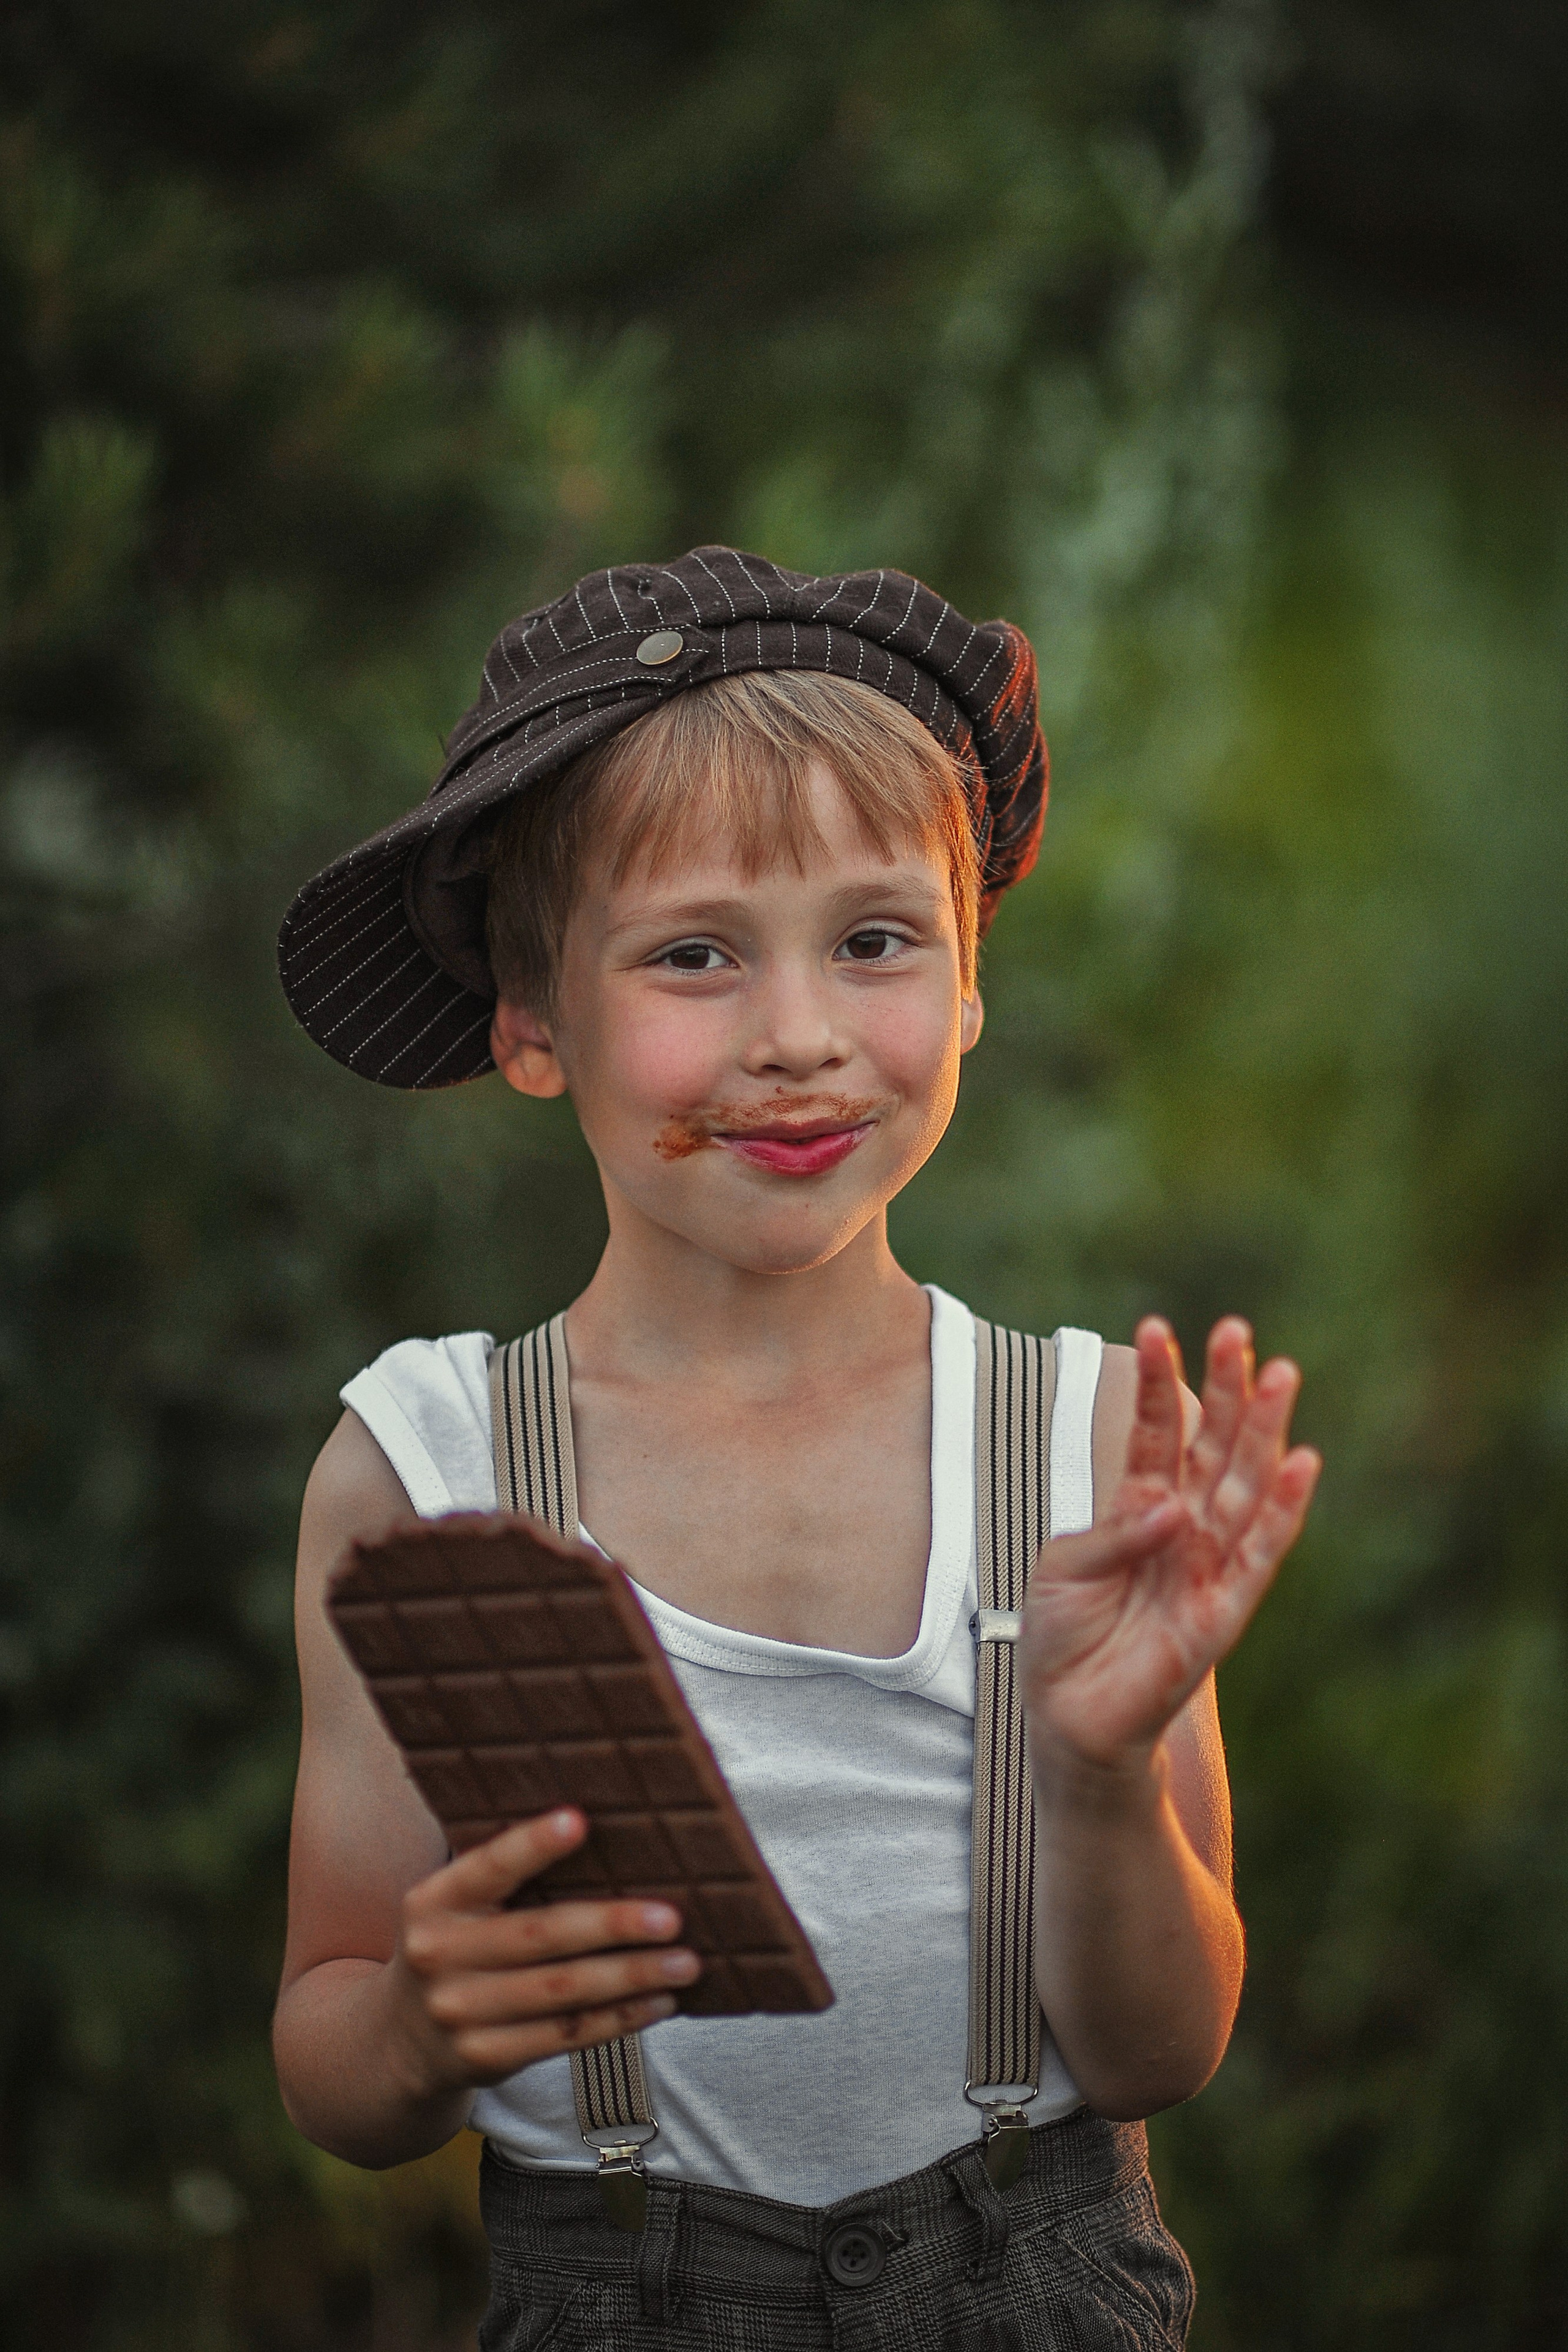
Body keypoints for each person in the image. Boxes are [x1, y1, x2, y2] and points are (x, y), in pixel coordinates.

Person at [272, 548, 1319, 2348]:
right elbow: (332, 2056)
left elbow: (1166, 2051)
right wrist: (417, 2025)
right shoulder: (425, 1470)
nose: (801, 1038)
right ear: (533, 1021)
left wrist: (1090, 1771)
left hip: (1036, 2283)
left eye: (876, 940)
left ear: (971, 984)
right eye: (694, 955)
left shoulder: (1079, 1445)